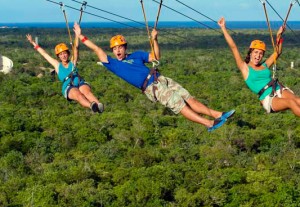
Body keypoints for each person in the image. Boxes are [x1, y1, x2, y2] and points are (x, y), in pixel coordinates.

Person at [73, 22, 235, 131]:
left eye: (120, 48)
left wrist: (155, 40)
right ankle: (208, 123)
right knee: (179, 104)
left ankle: (217, 114)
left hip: (160, 78)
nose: (117, 51)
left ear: (125, 48)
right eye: (115, 49)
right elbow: (96, 49)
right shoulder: (113, 64)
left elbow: (156, 56)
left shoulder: (136, 55)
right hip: (151, 87)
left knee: (188, 98)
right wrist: (80, 36)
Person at [218, 16, 300, 116]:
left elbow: (277, 53)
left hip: (278, 88)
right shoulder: (245, 68)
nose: (258, 55)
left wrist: (278, 37)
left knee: (297, 100)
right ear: (251, 53)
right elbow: (234, 47)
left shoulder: (265, 65)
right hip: (268, 98)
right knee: (291, 103)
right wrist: (223, 28)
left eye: (261, 53)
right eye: (256, 52)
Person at [26, 33, 104, 113]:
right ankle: (91, 106)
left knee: (86, 91)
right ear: (58, 56)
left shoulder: (72, 62)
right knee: (78, 95)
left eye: (64, 53)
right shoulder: (57, 65)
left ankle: (98, 105)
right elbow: (44, 54)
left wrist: (77, 35)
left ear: (68, 54)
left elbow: (76, 48)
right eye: (61, 54)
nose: (63, 56)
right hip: (68, 86)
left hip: (80, 82)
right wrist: (33, 42)